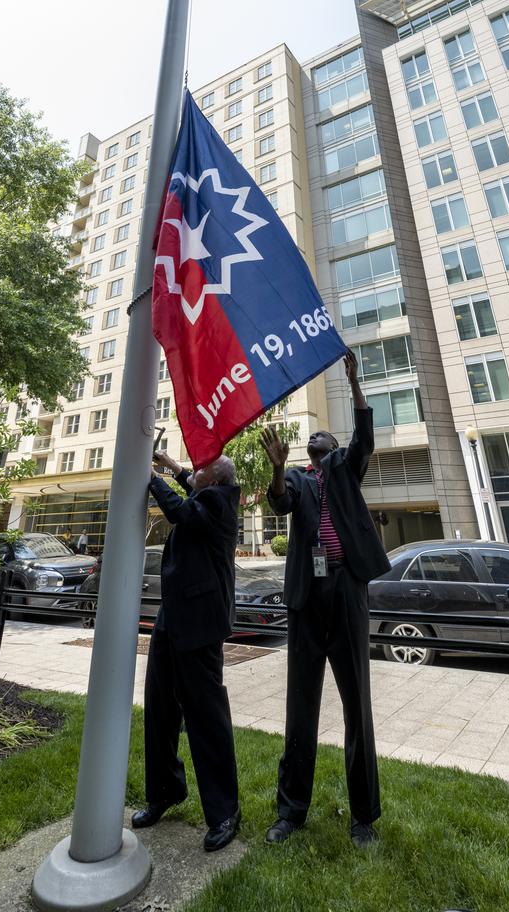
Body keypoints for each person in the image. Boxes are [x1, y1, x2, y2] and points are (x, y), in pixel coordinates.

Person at [261, 348, 390, 849]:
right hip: (307, 598)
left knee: (358, 702)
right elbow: (279, 503)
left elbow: (365, 440)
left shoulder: (342, 466)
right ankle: (291, 811)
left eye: (324, 437)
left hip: (347, 590)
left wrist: (355, 383)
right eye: (310, 439)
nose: (315, 439)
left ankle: (364, 817)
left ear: (332, 446)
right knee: (301, 705)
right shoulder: (295, 475)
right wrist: (275, 470)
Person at [131, 449, 241, 853]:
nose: (193, 472)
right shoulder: (209, 494)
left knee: (206, 719)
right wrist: (171, 466)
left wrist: (151, 476)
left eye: (201, 469)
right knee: (160, 709)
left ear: (214, 481)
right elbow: (190, 489)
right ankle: (164, 792)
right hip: (172, 618)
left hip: (199, 624)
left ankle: (225, 811)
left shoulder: (219, 502)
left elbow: (182, 510)